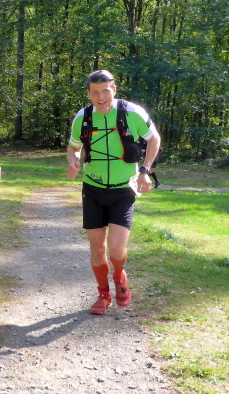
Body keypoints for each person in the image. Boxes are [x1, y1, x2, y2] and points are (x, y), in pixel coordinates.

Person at [66, 70, 161, 315]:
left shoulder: (132, 113)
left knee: (116, 249)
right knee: (97, 249)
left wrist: (145, 171)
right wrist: (73, 162)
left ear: (114, 90)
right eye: (95, 92)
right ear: (88, 94)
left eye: (105, 91)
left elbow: (154, 140)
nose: (101, 97)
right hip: (93, 188)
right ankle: (103, 295)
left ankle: (119, 276)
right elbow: (73, 147)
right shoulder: (83, 117)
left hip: (123, 189)